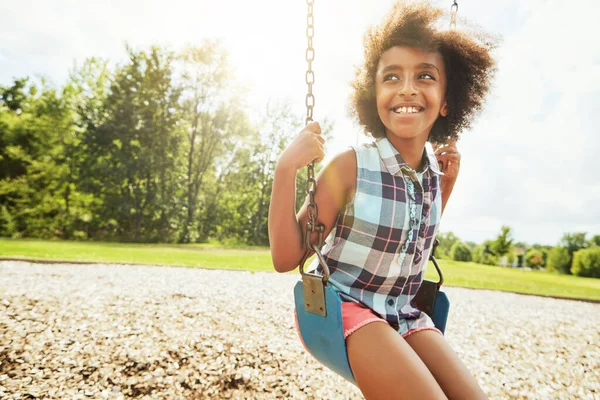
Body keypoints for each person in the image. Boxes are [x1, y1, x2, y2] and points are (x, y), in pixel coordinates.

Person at [268, 2, 497, 399]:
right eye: (392, 77)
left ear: (447, 100)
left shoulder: (434, 173)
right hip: (343, 309)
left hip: (403, 313)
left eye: (425, 76)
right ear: (374, 95)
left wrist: (447, 185)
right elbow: (286, 258)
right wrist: (286, 169)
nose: (407, 87)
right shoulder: (351, 167)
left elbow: (415, 234)